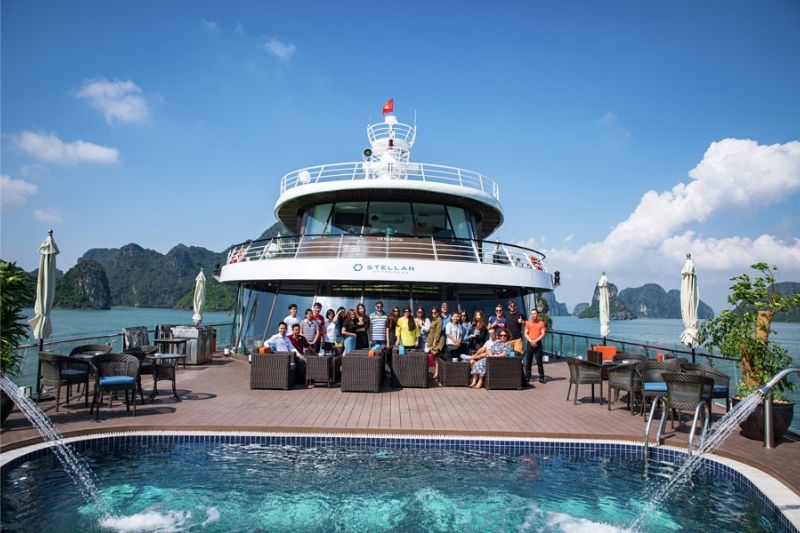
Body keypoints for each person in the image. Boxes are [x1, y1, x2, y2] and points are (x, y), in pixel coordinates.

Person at [524, 308, 547, 383]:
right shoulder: (528, 323)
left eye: (535, 314)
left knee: (539, 361)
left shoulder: (541, 323)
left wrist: (535, 341)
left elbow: (543, 334)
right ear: (530, 315)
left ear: (537, 314)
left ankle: (541, 377)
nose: (533, 315)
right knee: (528, 361)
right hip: (530, 343)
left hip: (538, 344)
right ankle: (527, 377)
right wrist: (531, 341)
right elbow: (525, 333)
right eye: (532, 314)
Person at [427, 307, 446, 379]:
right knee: (434, 357)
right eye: (432, 313)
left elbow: (438, 331)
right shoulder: (433, 320)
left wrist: (435, 341)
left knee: (437, 358)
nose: (433, 314)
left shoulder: (439, 320)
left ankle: (437, 373)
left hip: (436, 341)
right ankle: (435, 373)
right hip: (431, 341)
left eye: (435, 312)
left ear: (438, 313)